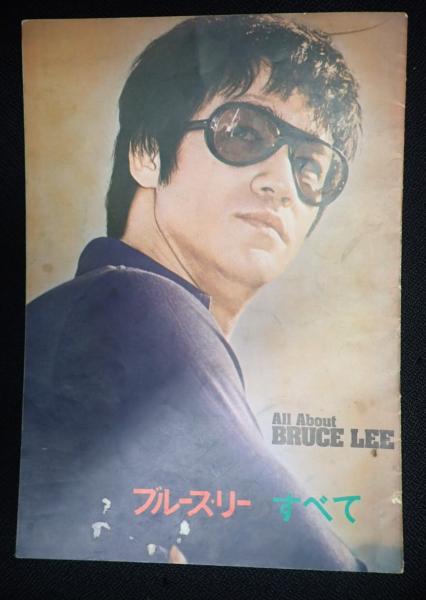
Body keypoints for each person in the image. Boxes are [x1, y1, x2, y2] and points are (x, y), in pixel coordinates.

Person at [17, 14, 365, 570]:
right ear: (147, 153)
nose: (281, 183)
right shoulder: (130, 305)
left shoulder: (102, 319)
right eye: (244, 132)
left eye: (311, 167)